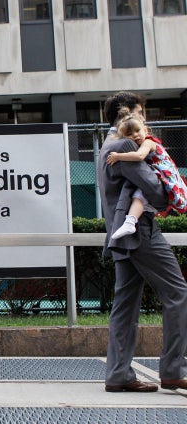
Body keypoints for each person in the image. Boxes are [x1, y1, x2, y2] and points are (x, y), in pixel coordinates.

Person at [99, 91, 187, 393]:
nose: (143, 121)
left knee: (124, 308)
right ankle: (174, 370)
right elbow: (157, 191)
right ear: (126, 114)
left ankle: (118, 374)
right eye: (139, 113)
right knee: (178, 293)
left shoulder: (106, 147)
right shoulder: (126, 145)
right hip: (141, 234)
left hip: (121, 237)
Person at [107, 111, 187, 239]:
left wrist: (118, 156)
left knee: (140, 193)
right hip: (162, 176)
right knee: (143, 196)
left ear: (145, 129)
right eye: (129, 134)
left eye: (137, 130)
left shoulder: (148, 142)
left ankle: (130, 221)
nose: (135, 135)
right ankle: (132, 220)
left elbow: (139, 156)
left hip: (163, 175)